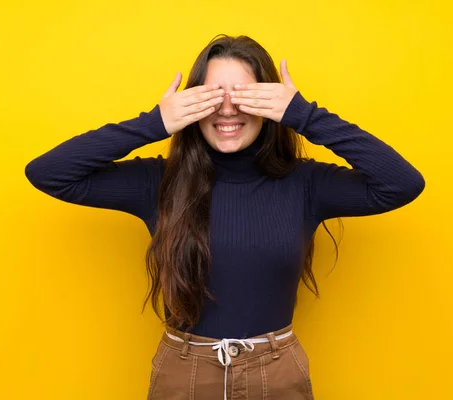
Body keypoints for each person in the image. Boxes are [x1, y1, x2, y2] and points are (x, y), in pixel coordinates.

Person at [25, 34, 425, 400]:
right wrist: (154, 123)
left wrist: (304, 114)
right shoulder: (157, 181)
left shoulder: (306, 183)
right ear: (192, 103)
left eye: (246, 95)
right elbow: (48, 173)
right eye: (213, 95)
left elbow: (402, 184)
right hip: (183, 374)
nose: (229, 109)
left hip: (277, 373)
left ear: (271, 104)